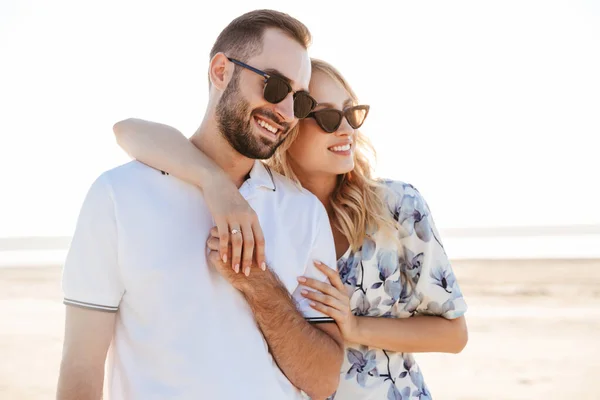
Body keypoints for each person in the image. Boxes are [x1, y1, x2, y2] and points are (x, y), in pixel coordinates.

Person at [113, 58, 469, 398]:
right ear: (289, 125)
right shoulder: (261, 207)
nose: (345, 129)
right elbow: (128, 130)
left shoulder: (397, 205)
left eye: (351, 113)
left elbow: (454, 334)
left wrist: (356, 327)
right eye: (328, 117)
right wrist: (214, 182)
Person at [57, 10, 345, 400]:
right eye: (275, 86)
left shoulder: (305, 214)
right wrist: (214, 183)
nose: (286, 112)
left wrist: (259, 284)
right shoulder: (118, 196)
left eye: (300, 99)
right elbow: (81, 369)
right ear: (221, 71)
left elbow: (324, 380)